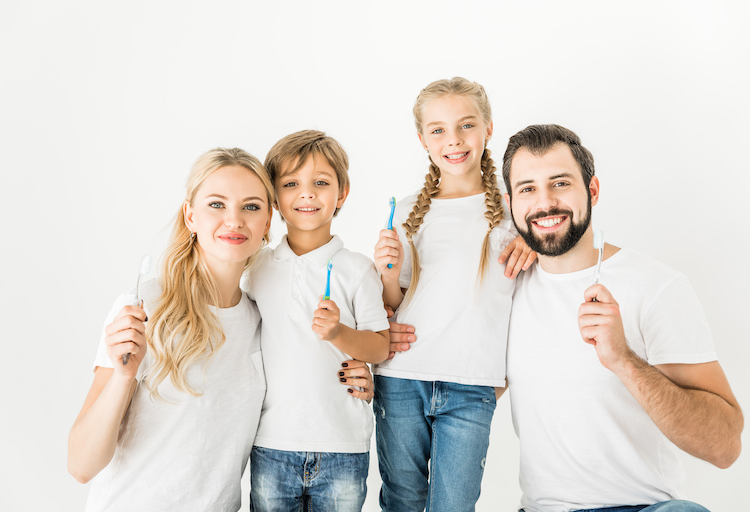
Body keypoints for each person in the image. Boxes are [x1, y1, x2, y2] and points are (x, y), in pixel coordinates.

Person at [67, 148, 374, 511]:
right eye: (216, 204)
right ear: (190, 215)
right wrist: (122, 376)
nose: (234, 220)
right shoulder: (144, 307)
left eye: (251, 206)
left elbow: (303, 375)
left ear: (267, 223)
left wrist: (354, 378)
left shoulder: (261, 320)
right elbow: (81, 466)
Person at [501, 124, 743, 512]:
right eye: (528, 188)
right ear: (511, 202)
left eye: (560, 183)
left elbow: (725, 447)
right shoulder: (505, 290)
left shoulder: (655, 286)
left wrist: (623, 360)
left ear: (592, 190)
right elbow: (466, 393)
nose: (545, 203)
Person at [372, 77, 535, 512]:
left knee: (454, 506)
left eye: (466, 125)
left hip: (472, 383)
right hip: (402, 377)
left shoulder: (517, 209)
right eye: (439, 130)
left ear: (488, 129)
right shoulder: (407, 210)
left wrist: (534, 243)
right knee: (402, 500)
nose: (454, 140)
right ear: (422, 139)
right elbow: (394, 300)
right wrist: (387, 274)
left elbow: (563, 248)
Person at [244, 130, 390, 512]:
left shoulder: (357, 270)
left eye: (321, 183)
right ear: (274, 197)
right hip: (271, 442)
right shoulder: (256, 270)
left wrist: (339, 333)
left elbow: (380, 345)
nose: (306, 194)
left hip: (342, 445)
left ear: (341, 194)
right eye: (291, 184)